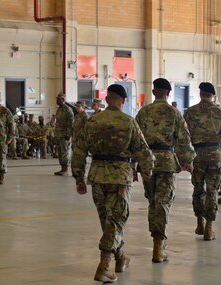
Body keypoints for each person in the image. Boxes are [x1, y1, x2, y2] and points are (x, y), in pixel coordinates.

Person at [72, 84, 154, 283]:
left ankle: (120, 257)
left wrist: (79, 178)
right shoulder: (129, 122)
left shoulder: (92, 121)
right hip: (119, 178)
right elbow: (143, 151)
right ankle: (104, 267)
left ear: (107, 99)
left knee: (108, 222)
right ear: (122, 100)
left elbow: (79, 151)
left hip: (97, 177)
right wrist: (147, 168)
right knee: (116, 222)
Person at [136, 78, 195, 262]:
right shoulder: (175, 114)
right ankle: (158, 246)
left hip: (148, 163)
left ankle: (156, 241)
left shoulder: (143, 113)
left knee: (153, 201)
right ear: (168, 93)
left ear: (154, 92)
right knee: (162, 202)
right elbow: (184, 140)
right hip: (167, 162)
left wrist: (133, 163)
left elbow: (135, 140)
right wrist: (188, 161)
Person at [184, 82, 221, 241]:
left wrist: (185, 158)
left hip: (197, 155)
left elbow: (183, 136)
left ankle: (199, 221)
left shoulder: (190, 112)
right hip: (215, 155)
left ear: (200, 94)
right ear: (213, 96)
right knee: (212, 190)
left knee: (198, 189)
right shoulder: (220, 112)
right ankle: (209, 228)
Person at [54, 92, 74, 175]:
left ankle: (65, 170)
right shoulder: (59, 109)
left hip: (64, 135)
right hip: (58, 135)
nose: (57, 101)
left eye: (58, 99)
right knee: (59, 152)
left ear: (63, 100)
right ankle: (62, 168)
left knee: (64, 152)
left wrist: (68, 134)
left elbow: (71, 123)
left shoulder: (68, 110)